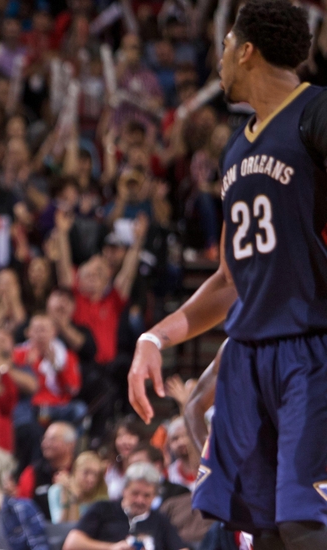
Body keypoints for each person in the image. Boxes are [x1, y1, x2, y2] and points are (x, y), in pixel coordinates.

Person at [127, 1, 327, 547]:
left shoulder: (317, 114)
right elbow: (226, 279)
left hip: (310, 349)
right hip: (250, 353)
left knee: (306, 522)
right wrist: (154, 337)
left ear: (246, 49)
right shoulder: (237, 149)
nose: (219, 62)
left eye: (224, 46)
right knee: (259, 528)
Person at [62, 462, 187, 550]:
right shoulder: (102, 509)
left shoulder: (160, 520)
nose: (140, 500)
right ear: (124, 490)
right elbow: (71, 543)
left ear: (154, 496)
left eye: (147, 495)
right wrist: (111, 548)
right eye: (135, 493)